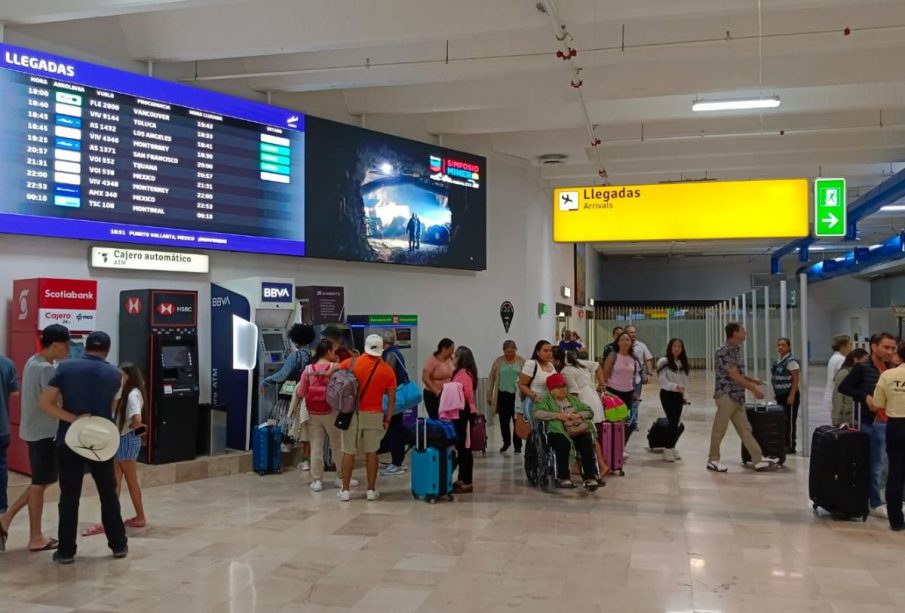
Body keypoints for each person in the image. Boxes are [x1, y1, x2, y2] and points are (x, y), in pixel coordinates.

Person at [39, 331, 127, 564]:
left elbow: (45, 404)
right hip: (102, 442)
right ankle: (119, 545)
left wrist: (72, 418)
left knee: (69, 496)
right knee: (108, 493)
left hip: (70, 440)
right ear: (107, 350)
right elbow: (111, 409)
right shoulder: (116, 375)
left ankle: (66, 551)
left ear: (85, 346)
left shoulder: (65, 368)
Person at [0, 324, 68, 553]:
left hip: (33, 431)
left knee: (43, 480)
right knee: (40, 484)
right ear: (56, 345)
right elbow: (49, 404)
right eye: (67, 345)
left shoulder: (33, 361)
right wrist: (73, 417)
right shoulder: (47, 370)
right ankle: (35, 537)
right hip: (45, 433)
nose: (69, 350)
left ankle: (6, 518)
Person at [83, 363, 149, 536]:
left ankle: (139, 517)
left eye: (121, 375)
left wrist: (141, 431)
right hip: (124, 439)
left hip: (126, 439)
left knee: (128, 480)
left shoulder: (133, 394)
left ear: (129, 376)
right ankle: (111, 519)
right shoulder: (126, 393)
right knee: (116, 482)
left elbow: (136, 419)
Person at [839, 332, 897, 518]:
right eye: (886, 347)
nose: (889, 351)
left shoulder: (891, 369)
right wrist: (864, 397)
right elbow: (845, 387)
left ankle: (886, 498)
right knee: (877, 463)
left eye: (892, 348)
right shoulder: (863, 368)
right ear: (874, 347)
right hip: (872, 421)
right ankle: (874, 501)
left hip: (891, 420)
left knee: (888, 464)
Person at [708, 322, 778, 473]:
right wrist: (753, 389)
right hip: (726, 395)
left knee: (745, 429)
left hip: (737, 396)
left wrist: (754, 381)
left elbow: (738, 373)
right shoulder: (725, 350)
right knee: (719, 429)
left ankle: (758, 459)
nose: (745, 332)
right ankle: (713, 460)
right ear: (734, 333)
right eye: (743, 330)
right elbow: (733, 376)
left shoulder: (736, 350)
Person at [337, 334, 396, 502]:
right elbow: (392, 399)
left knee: (349, 452)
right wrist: (388, 419)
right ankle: (371, 490)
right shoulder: (387, 370)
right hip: (374, 415)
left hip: (352, 413)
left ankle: (346, 490)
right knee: (372, 453)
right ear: (381, 349)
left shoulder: (352, 363)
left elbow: (333, 373)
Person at [296, 340, 354, 492]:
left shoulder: (308, 369)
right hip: (331, 411)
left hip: (313, 412)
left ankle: (317, 481)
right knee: (337, 445)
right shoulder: (334, 368)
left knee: (316, 446)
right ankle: (341, 478)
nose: (334, 354)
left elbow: (301, 392)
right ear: (328, 351)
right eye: (333, 351)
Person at [260, 323, 316, 469]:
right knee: (305, 426)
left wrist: (266, 381)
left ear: (296, 340)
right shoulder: (313, 354)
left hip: (291, 394)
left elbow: (282, 374)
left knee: (280, 416)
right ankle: (305, 460)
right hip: (309, 394)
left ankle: (285, 444)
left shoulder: (295, 356)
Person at [533, 373, 599, 491]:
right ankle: (564, 477)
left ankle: (590, 477)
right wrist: (558, 416)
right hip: (556, 430)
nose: (562, 389)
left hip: (576, 429)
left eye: (564, 386)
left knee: (586, 441)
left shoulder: (572, 399)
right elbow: (537, 413)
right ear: (551, 390)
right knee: (563, 443)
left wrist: (578, 415)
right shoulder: (546, 401)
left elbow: (589, 412)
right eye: (558, 387)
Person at [873, 340, 905, 531]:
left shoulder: (888, 375)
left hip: (896, 426)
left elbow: (878, 404)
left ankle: (896, 521)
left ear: (899, 356)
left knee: (895, 472)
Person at [378, 329, 410, 476]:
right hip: (397, 397)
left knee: (394, 430)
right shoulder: (397, 353)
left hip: (393, 399)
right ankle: (397, 461)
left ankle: (397, 463)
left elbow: (386, 375)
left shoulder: (390, 354)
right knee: (394, 429)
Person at [487, 340, 525, 455]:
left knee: (516, 421)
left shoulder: (521, 361)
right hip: (502, 395)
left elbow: (527, 377)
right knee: (504, 421)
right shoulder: (498, 362)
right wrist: (489, 395)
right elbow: (491, 378)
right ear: (503, 351)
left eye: (512, 351)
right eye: (508, 352)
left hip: (516, 396)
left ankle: (518, 445)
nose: (510, 354)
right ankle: (506, 442)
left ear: (516, 350)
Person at [450, 346, 478, 493]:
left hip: (465, 413)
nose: (452, 359)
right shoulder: (459, 373)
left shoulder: (465, 374)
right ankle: (461, 478)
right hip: (459, 414)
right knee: (461, 447)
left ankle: (467, 481)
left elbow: (467, 395)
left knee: (465, 448)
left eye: (455, 356)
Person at [656, 338, 689, 463]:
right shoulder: (663, 361)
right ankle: (668, 449)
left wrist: (685, 395)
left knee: (676, 422)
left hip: (678, 395)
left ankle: (672, 446)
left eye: (679, 346)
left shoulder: (682, 362)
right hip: (667, 394)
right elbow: (662, 380)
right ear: (670, 347)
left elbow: (685, 381)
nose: (677, 348)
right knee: (673, 421)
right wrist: (675, 387)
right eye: (674, 346)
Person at [517, 341, 558, 433]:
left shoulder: (551, 365)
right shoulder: (531, 364)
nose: (549, 353)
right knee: (537, 432)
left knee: (549, 431)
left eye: (550, 351)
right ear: (538, 352)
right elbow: (522, 384)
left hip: (549, 403)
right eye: (545, 351)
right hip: (534, 402)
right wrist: (534, 396)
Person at [771, 338, 801, 454]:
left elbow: (795, 379)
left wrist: (792, 395)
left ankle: (791, 445)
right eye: (778, 345)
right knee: (782, 420)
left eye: (783, 345)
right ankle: (783, 443)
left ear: (788, 347)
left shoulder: (791, 361)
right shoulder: (778, 361)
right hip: (780, 395)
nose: (780, 347)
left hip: (789, 395)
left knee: (790, 420)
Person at [624, 325, 653, 442]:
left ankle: (633, 422)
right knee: (625, 401)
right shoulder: (623, 345)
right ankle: (626, 420)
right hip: (624, 379)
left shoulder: (641, 346)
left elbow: (647, 359)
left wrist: (649, 373)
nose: (633, 334)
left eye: (634, 332)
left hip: (637, 379)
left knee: (635, 401)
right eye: (631, 332)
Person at [0, 349, 19, 529]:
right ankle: (1, 509)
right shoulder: (7, 363)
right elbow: (14, 393)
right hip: (2, 427)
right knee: (1, 468)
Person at [601, 332, 637, 423]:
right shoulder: (613, 355)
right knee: (613, 420)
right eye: (623, 340)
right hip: (613, 392)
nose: (625, 342)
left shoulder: (633, 357)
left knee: (625, 420)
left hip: (628, 393)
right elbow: (605, 373)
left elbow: (633, 376)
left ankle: (623, 437)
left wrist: (634, 391)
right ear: (618, 343)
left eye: (628, 340)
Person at [831, 348, 869, 426]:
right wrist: (836, 419)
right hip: (846, 418)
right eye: (865, 361)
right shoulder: (844, 373)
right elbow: (837, 397)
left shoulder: (860, 374)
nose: (866, 364)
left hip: (855, 416)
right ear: (856, 359)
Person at [422, 338, 455, 420]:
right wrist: (436, 391)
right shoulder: (432, 361)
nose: (452, 352)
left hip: (447, 395)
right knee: (436, 418)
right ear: (444, 349)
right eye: (451, 350)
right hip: (433, 395)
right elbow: (425, 378)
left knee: (447, 419)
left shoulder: (451, 359)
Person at [824, 335, 852, 411]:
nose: (851, 348)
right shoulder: (841, 359)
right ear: (842, 346)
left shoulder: (835, 357)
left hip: (831, 394)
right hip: (836, 395)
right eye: (849, 345)